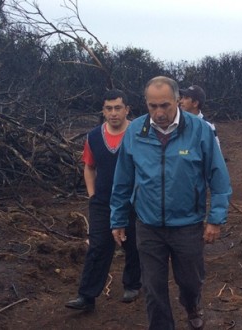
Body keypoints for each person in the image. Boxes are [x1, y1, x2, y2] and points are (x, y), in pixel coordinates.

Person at [110, 76, 231, 330]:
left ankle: (192, 304)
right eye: (152, 106)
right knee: (153, 287)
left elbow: (218, 176)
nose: (158, 112)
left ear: (177, 100)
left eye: (164, 105)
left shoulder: (200, 131)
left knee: (190, 281)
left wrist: (216, 218)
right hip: (148, 224)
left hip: (187, 223)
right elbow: (122, 180)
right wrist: (118, 219)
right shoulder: (135, 132)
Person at [65, 89, 141, 312]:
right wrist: (92, 195)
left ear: (127, 109)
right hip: (102, 201)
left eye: (118, 108)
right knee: (98, 246)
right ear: (103, 111)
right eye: (109, 108)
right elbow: (89, 167)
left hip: (133, 201)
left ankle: (132, 284)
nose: (113, 113)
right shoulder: (94, 136)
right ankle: (86, 296)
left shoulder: (139, 133)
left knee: (134, 244)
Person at [179, 84, 221, 149]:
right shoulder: (177, 123)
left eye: (186, 98)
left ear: (195, 103)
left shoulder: (207, 127)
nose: (181, 101)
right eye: (182, 97)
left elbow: (216, 153)